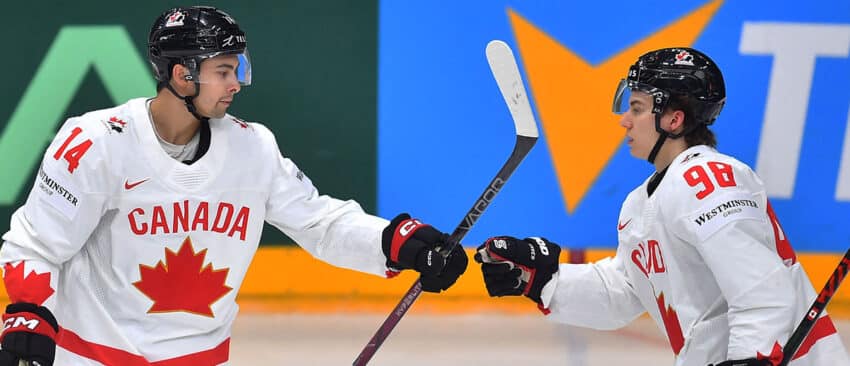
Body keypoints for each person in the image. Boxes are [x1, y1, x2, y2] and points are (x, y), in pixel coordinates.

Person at [0, 6, 467, 366]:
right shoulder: (96, 143)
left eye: (238, 68)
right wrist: (28, 313)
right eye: (223, 71)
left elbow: (319, 223)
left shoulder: (252, 147)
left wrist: (394, 242)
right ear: (182, 75)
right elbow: (35, 245)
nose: (237, 83)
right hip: (91, 358)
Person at [474, 47, 850, 365]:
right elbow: (625, 290)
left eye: (637, 108)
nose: (624, 121)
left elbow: (761, 291)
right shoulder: (642, 203)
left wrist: (752, 357)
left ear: (674, 119)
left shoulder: (709, 180)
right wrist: (543, 279)